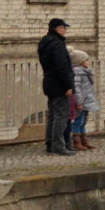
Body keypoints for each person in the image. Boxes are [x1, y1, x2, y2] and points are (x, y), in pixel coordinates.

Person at [38, 18, 74, 156]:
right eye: (64, 28)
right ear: (58, 29)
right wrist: (68, 86)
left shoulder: (45, 42)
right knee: (61, 116)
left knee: (53, 115)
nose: (65, 31)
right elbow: (62, 67)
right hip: (59, 84)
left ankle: (50, 144)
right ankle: (58, 145)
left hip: (49, 82)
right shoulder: (58, 44)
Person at [69, 47, 98, 150]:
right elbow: (77, 89)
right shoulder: (77, 72)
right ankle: (76, 141)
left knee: (83, 122)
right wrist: (79, 102)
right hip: (81, 102)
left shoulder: (84, 71)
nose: (88, 62)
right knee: (78, 121)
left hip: (86, 100)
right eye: (86, 60)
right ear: (79, 62)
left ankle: (84, 140)